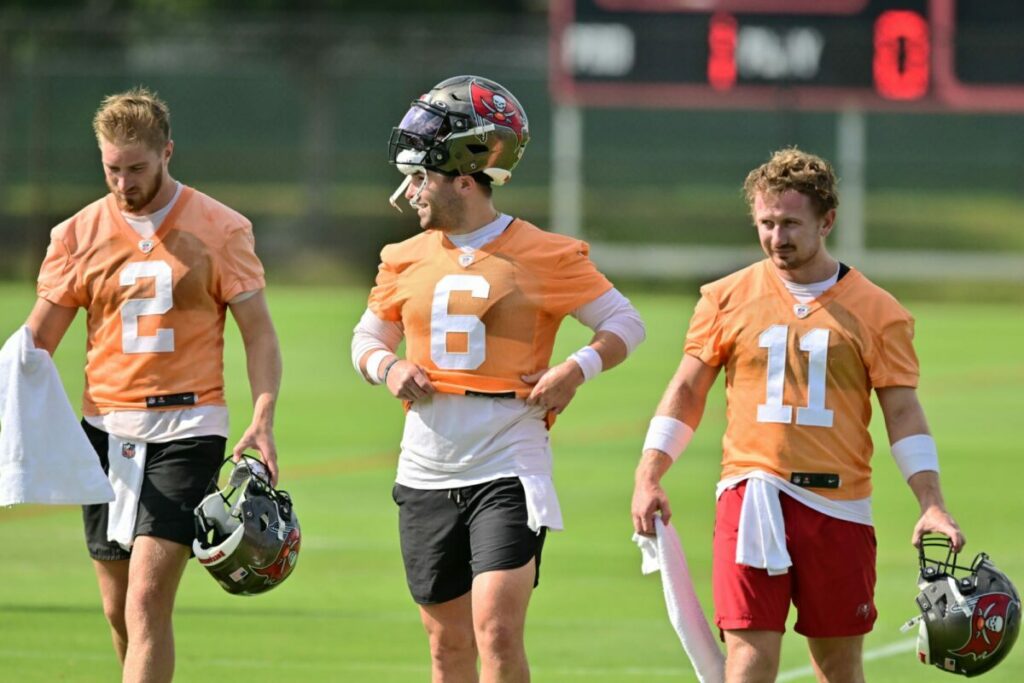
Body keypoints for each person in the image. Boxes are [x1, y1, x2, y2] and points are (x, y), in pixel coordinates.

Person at [631, 147, 964, 683]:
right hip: (752, 493)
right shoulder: (725, 297)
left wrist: (932, 503)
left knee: (838, 668)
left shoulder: (878, 311)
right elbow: (687, 389)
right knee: (747, 661)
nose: (776, 237)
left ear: (827, 220)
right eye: (766, 223)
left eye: (790, 223)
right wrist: (649, 473)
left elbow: (902, 413)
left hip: (838, 508)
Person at [352, 75, 645, 682]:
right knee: (446, 648)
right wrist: (390, 367)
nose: (408, 193)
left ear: (463, 178)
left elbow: (624, 322)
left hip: (510, 457)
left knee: (497, 630)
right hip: (427, 463)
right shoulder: (403, 256)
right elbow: (367, 339)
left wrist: (575, 368)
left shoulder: (544, 253)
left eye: (419, 177)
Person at [24, 87, 281, 683]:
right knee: (118, 612)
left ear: (168, 152)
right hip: (105, 432)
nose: (123, 183)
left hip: (189, 427)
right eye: (111, 168)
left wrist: (263, 414)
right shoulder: (75, 235)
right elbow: (39, 340)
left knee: (144, 602)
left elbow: (260, 335)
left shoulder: (220, 227)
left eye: (136, 168)